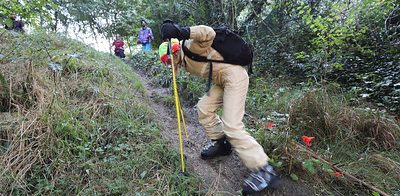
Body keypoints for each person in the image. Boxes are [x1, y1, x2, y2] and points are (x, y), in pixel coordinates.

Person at [159, 21, 279, 194]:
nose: (170, 65)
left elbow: (208, 33)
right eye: (166, 63)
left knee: (232, 125)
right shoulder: (181, 62)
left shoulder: (189, 46)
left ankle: (265, 170)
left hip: (234, 77)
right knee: (203, 108)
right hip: (221, 81)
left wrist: (181, 32)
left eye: (169, 60)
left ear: (175, 52)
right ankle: (222, 144)